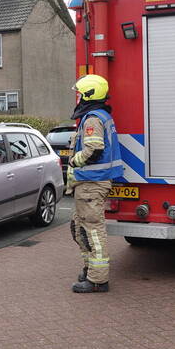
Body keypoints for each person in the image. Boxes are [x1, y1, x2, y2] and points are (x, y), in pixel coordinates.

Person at [67, 74, 123, 293]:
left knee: (92, 230)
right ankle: (90, 269)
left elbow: (93, 149)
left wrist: (73, 160)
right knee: (79, 228)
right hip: (89, 184)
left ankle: (98, 279)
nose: (78, 97)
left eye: (80, 93)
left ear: (89, 94)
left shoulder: (92, 119)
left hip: (92, 183)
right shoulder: (100, 115)